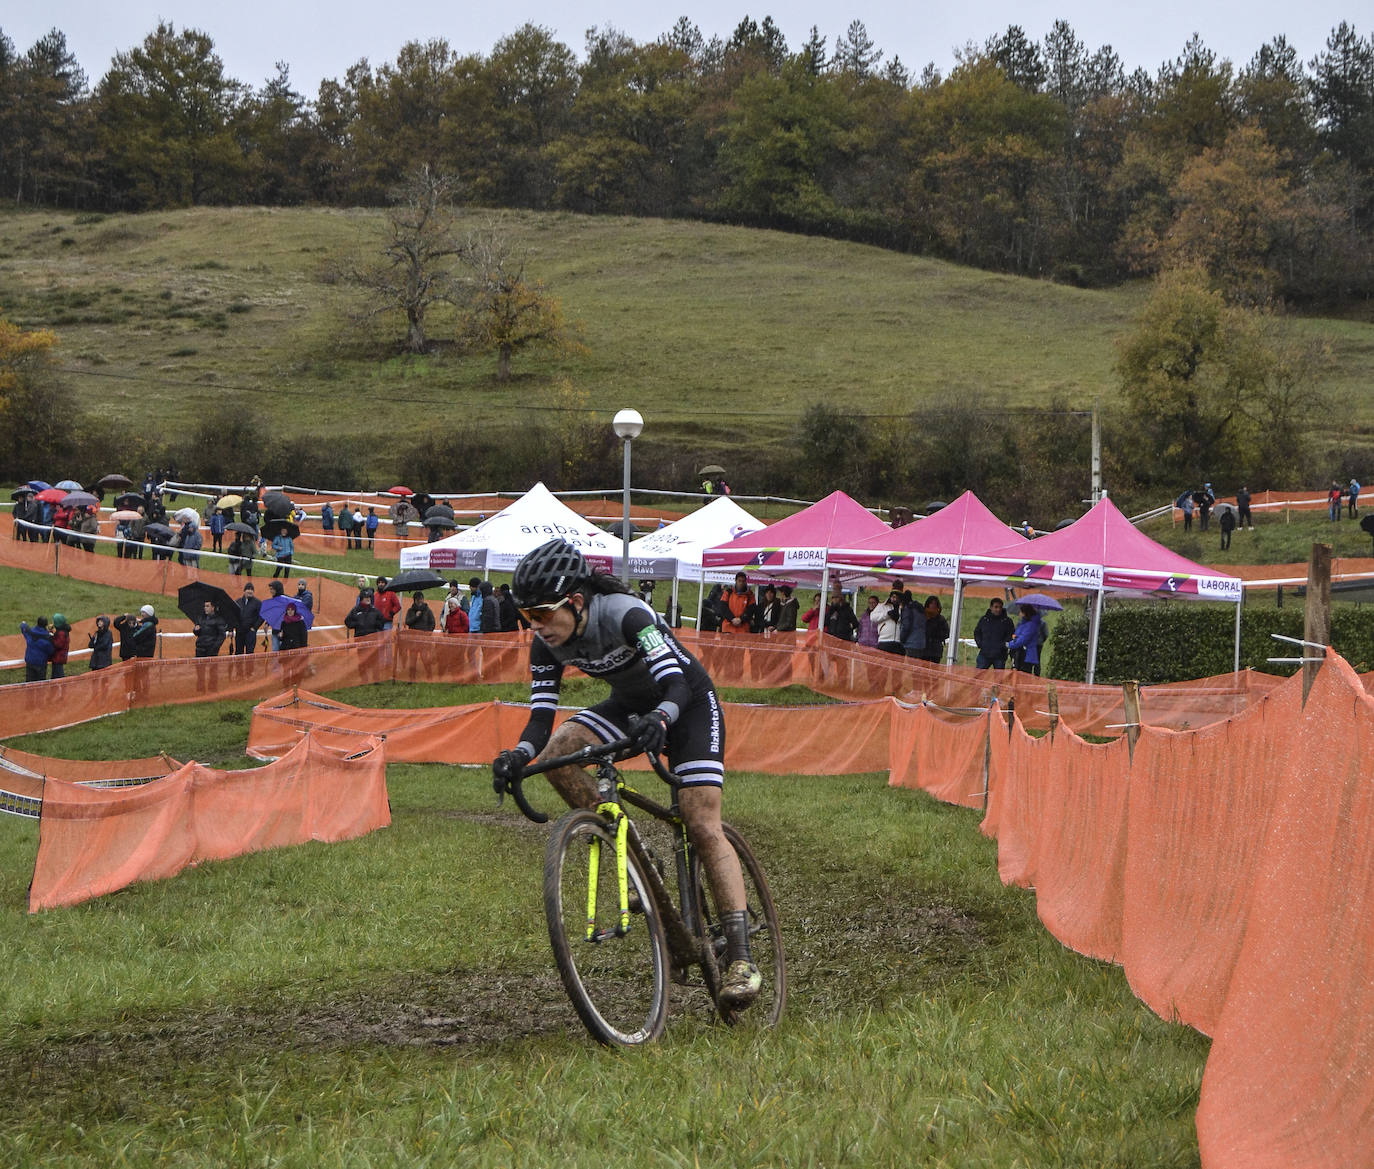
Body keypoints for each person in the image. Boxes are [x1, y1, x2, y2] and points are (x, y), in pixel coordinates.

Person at [491, 538, 762, 1009]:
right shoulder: (546, 644)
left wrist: (661, 718)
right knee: (559, 752)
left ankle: (741, 958)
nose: (534, 625)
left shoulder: (627, 614)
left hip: (688, 705)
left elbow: (677, 682)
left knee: (700, 821)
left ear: (576, 601)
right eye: (526, 615)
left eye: (540, 613)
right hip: (630, 706)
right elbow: (541, 719)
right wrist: (517, 756)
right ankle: (635, 852)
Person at [973, 598, 1015, 670]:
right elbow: (977, 632)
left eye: (1000, 607)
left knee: (999, 676)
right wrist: (980, 644)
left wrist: (1003, 645)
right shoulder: (984, 619)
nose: (998, 609)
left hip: (1000, 655)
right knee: (979, 674)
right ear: (991, 607)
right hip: (984, 653)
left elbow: (1011, 635)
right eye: (996, 607)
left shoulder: (1007, 621)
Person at [1007, 604, 1047, 675]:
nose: (1019, 613)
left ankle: (1036, 676)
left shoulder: (1031, 625)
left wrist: (1009, 644)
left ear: (1025, 613)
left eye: (1021, 612)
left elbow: (1023, 639)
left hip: (1027, 652)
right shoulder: (1022, 623)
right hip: (1023, 650)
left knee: (1025, 671)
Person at [20, 617, 56, 682]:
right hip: (41, 664)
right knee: (40, 684)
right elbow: (51, 651)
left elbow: (24, 629)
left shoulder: (30, 633)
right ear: (46, 625)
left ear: (37, 623)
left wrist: (23, 624)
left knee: (29, 683)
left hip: (30, 662)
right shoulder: (48, 638)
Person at [874, 589, 904, 655]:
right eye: (893, 597)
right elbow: (873, 617)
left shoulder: (902, 608)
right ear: (890, 597)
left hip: (898, 642)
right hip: (884, 641)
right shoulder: (882, 606)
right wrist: (887, 614)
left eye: (897, 598)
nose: (895, 599)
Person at [234, 583, 262, 654]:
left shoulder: (258, 603)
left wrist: (255, 628)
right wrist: (232, 628)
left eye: (252, 589)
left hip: (250, 633)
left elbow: (262, 616)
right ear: (244, 591)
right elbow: (233, 615)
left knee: (250, 653)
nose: (250, 591)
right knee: (238, 653)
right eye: (248, 589)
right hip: (239, 632)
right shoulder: (238, 602)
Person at [921, 596, 949, 663]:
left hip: (936, 651)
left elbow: (947, 633)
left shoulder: (941, 619)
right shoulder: (923, 617)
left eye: (935, 604)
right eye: (931, 603)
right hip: (924, 649)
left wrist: (937, 635)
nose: (933, 606)